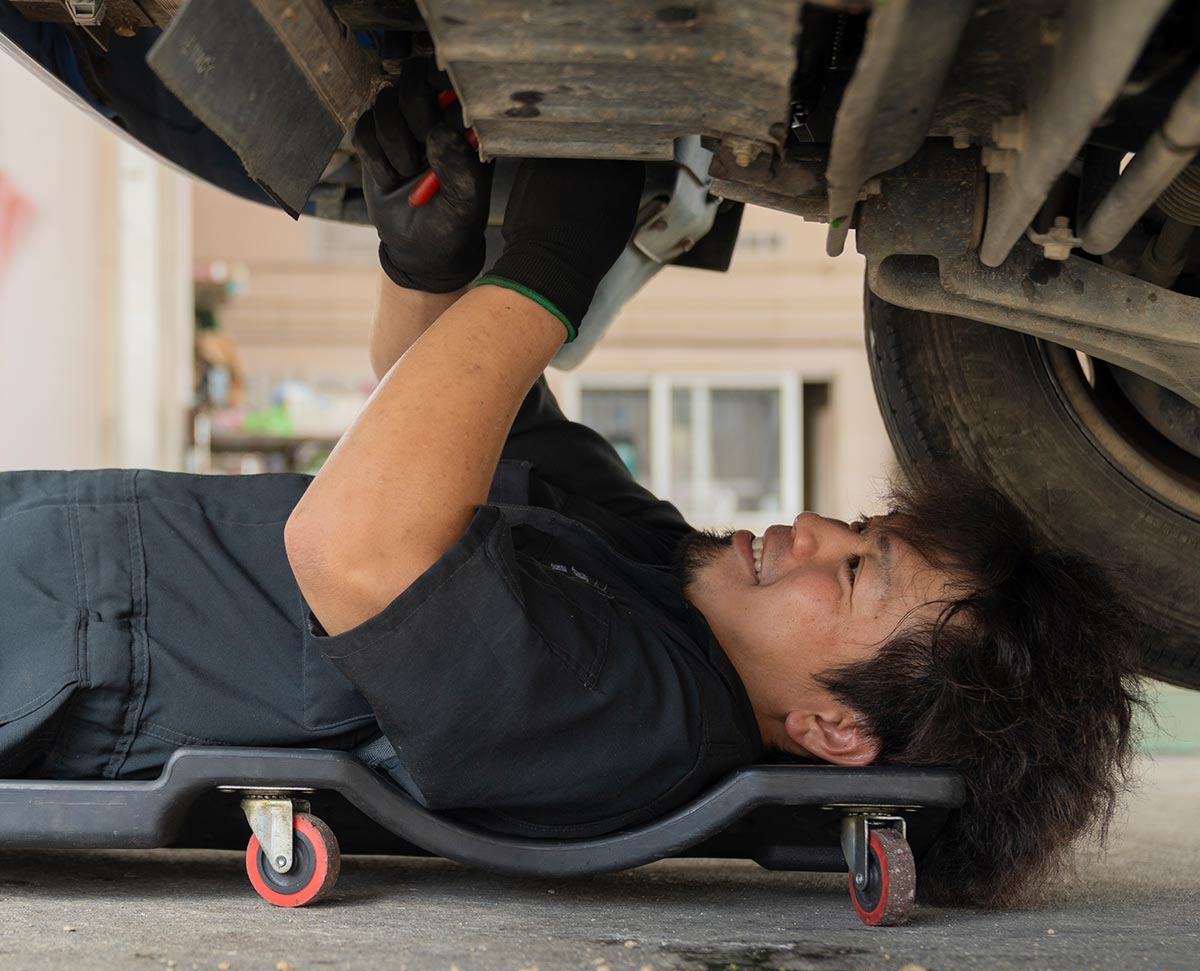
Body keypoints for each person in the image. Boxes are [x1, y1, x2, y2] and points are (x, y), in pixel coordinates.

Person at [0, 75, 1143, 909]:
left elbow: (356, 548)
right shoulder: (662, 571)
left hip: (50, 654)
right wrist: (432, 260)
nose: (808, 528)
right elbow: (438, 404)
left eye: (853, 570)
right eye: (857, 526)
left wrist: (546, 272)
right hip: (54, 573)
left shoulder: (636, 721)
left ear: (837, 731)